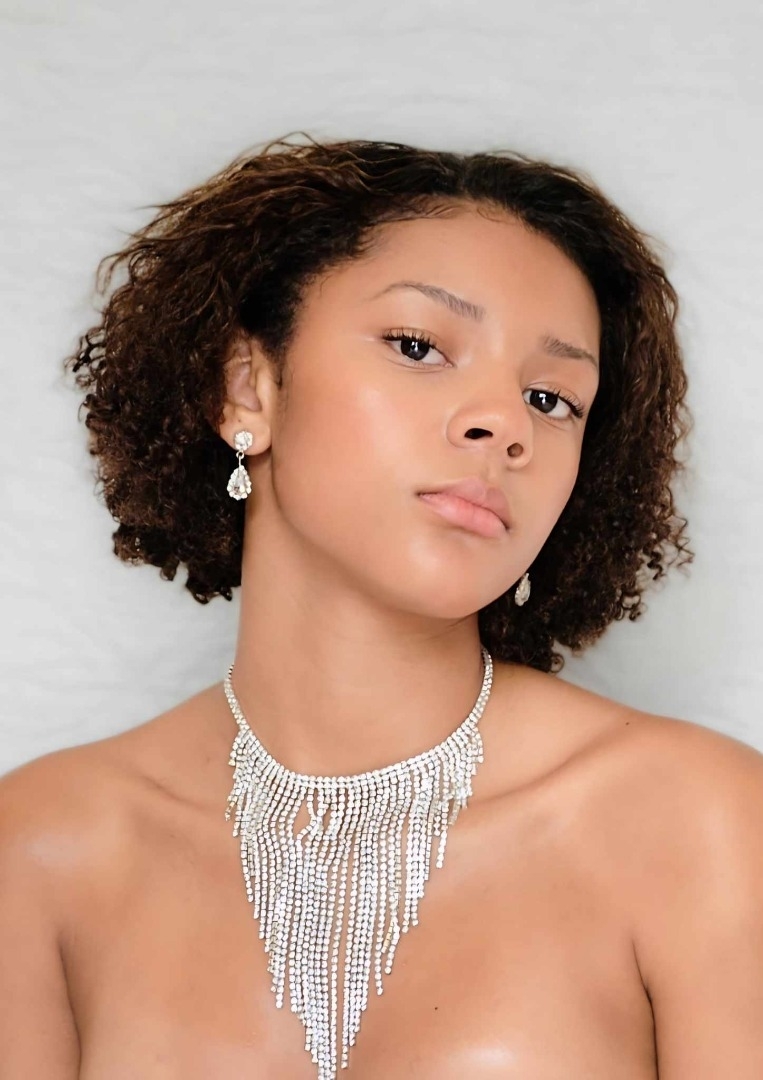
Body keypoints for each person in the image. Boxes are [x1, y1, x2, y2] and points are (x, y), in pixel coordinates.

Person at [1, 135, 762, 1080]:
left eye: (551, 398)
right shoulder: (42, 846)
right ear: (248, 388)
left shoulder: (696, 822)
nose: (503, 425)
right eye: (417, 347)